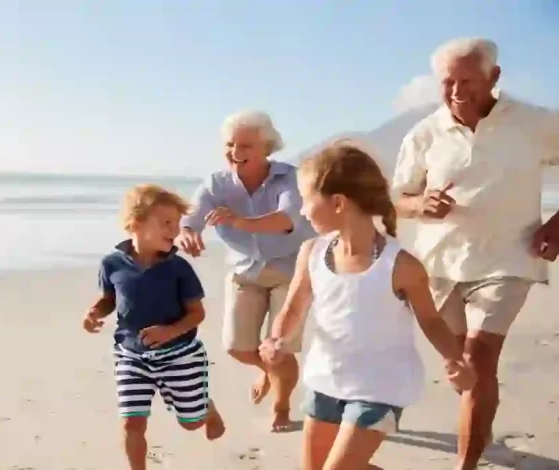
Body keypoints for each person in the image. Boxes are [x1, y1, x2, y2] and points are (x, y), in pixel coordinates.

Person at [391, 37, 559, 469]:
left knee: (478, 359)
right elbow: (396, 198)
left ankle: (465, 463)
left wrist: (557, 223)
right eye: (448, 81)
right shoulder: (425, 133)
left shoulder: (534, 122)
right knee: (462, 372)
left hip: (509, 258)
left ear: (494, 77)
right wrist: (419, 205)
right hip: (440, 264)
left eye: (468, 80)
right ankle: (479, 426)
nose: (456, 91)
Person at [259, 142, 477, 470]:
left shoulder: (400, 265)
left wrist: (453, 359)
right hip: (325, 380)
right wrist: (277, 339)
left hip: (380, 388)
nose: (302, 211)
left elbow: (431, 320)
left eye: (306, 200)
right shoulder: (312, 252)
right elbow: (292, 308)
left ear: (338, 203)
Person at [177, 110, 315, 431]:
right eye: (230, 144)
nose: (235, 153)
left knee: (277, 351)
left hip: (291, 272)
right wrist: (188, 232)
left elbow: (286, 219)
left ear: (267, 147)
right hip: (244, 272)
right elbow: (192, 215)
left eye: (245, 146)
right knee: (237, 347)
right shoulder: (217, 184)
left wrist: (239, 221)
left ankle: (281, 408)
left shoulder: (290, 178)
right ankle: (266, 370)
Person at [83, 184, 225, 470]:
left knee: (191, 422)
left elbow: (197, 313)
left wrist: (168, 332)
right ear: (136, 224)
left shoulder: (178, 268)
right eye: (166, 223)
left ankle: (206, 410)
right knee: (132, 422)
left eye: (177, 223)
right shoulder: (111, 264)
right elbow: (110, 299)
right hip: (131, 355)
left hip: (179, 354)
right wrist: (96, 312)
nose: (175, 230)